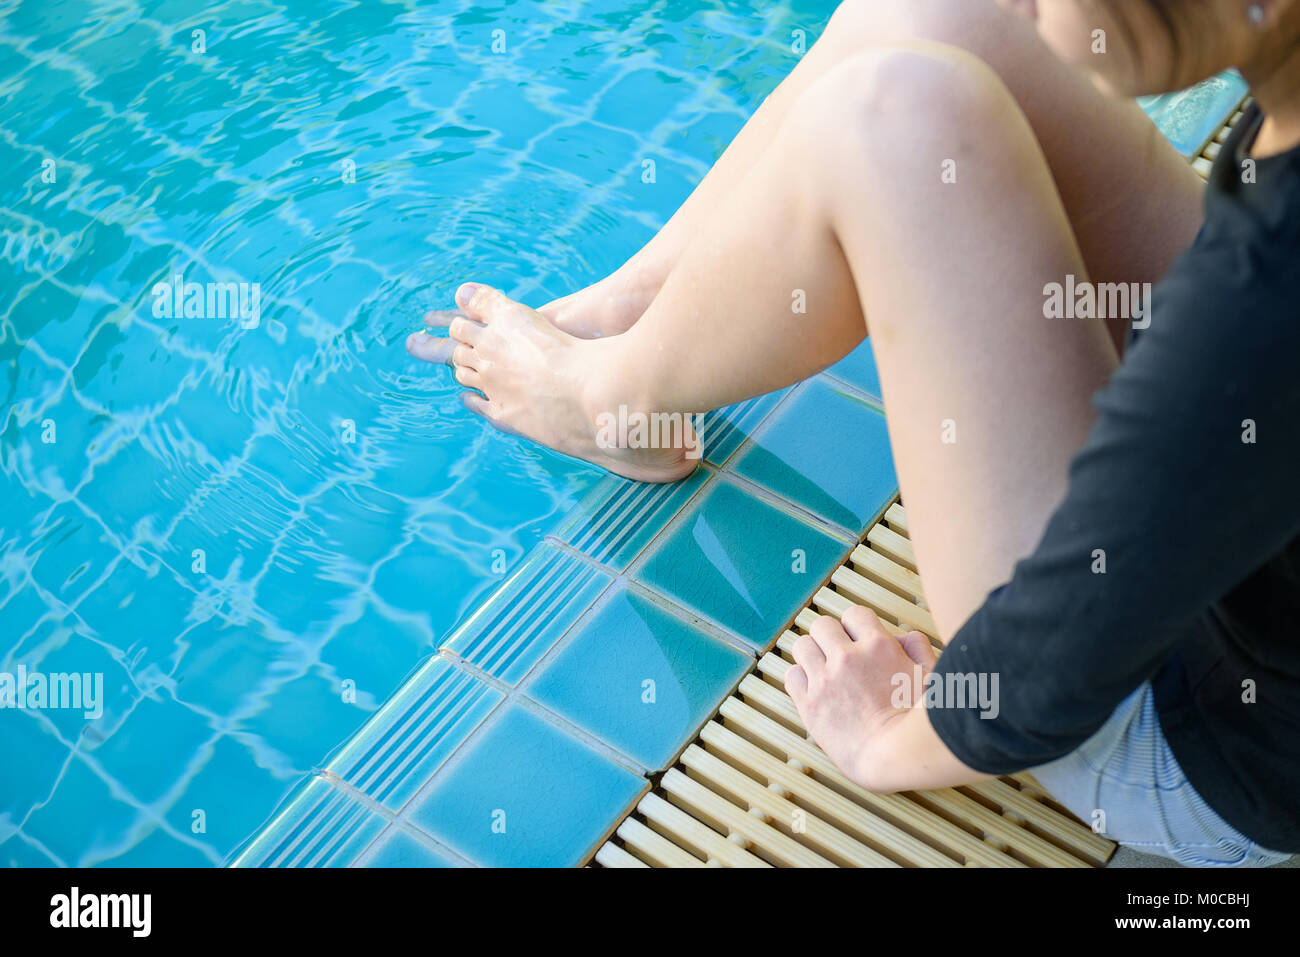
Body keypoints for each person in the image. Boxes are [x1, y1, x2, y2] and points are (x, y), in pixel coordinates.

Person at [407, 0, 1300, 866]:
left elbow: (1044, 669)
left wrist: (882, 740)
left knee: (882, 128)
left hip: (1202, 741)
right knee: (932, 14)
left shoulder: (1260, 310)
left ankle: (605, 398)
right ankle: (630, 319)